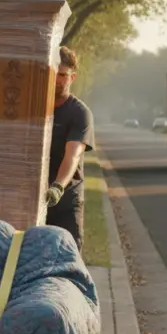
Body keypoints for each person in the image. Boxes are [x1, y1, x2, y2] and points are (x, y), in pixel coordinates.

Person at [43, 45, 96, 251]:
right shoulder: (36, 108)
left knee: (67, 258)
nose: (57, 80)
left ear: (72, 78)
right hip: (36, 200)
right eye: (54, 74)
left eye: (63, 75)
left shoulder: (79, 113)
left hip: (65, 201)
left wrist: (57, 186)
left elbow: (73, 155)